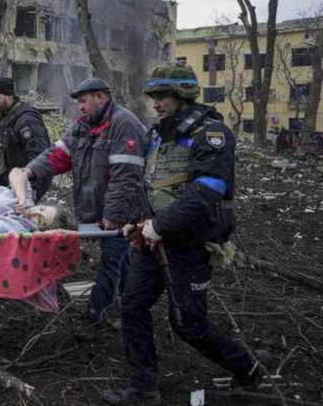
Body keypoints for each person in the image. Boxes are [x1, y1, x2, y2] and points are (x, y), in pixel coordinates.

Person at [101, 64, 263, 405]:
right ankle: (143, 388)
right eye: (154, 97)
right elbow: (148, 185)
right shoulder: (157, 134)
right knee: (132, 307)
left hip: (188, 245)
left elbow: (207, 191)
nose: (156, 103)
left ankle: (248, 369)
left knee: (189, 325)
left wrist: (159, 226)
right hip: (150, 243)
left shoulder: (211, 134)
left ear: (183, 95)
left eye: (163, 96)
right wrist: (136, 220)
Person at [11, 77, 148, 339]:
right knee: (123, 259)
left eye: (84, 101)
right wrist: (29, 171)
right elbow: (57, 155)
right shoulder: (82, 127)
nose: (80, 107)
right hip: (98, 209)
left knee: (111, 260)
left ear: (101, 97)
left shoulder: (124, 124)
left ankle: (96, 315)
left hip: (124, 211)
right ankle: (132, 304)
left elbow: (126, 175)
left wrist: (113, 215)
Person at [0, 77, 52, 201]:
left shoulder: (26, 120)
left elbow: (40, 156)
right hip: (9, 185)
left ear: (9, 96)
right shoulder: (8, 117)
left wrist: (28, 190)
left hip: (23, 186)